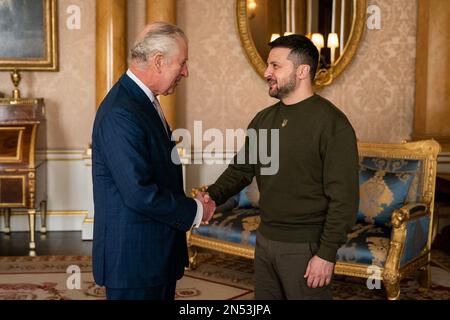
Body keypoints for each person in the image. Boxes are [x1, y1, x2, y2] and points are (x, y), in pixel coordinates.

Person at [200, 35, 359, 300]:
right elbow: (241, 170)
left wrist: (326, 253)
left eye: (275, 66)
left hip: (306, 247)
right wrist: (211, 196)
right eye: (267, 65)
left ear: (302, 71)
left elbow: (344, 198)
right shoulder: (263, 120)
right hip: (265, 241)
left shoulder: (332, 124)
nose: (266, 72)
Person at [91, 22, 215, 300]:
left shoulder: (143, 101)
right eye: (182, 63)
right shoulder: (121, 111)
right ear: (158, 61)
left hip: (152, 256)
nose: (186, 71)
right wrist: (195, 210)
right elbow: (139, 192)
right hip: (134, 261)